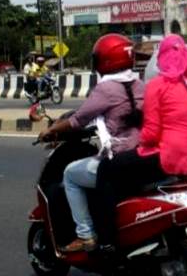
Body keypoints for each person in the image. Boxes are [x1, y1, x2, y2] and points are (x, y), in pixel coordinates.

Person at [95, 34, 187, 248]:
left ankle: (107, 241)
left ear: (162, 59)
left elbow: (151, 133)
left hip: (171, 156)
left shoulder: (157, 85)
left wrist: (136, 143)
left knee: (107, 168)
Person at [37, 34, 144, 253]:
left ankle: (85, 235)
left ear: (104, 61)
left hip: (118, 159)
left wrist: (50, 130)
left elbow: (77, 120)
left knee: (70, 174)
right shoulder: (140, 84)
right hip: (140, 156)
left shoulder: (106, 89)